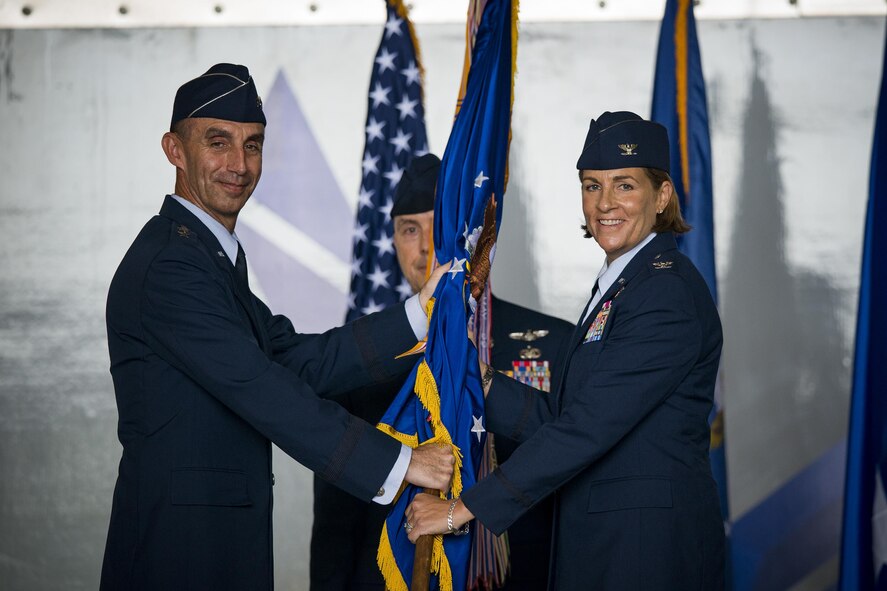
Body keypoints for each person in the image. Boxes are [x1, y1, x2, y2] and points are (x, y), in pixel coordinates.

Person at [100, 63, 454, 591]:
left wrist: (419, 313)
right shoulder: (172, 266)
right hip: (180, 553)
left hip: (210, 546)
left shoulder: (205, 258)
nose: (238, 164)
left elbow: (297, 361)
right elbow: (265, 389)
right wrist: (402, 464)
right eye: (217, 142)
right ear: (175, 150)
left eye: (252, 145)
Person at [405, 111, 726, 590]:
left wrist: (461, 510)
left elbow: (586, 427)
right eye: (592, 185)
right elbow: (566, 417)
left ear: (661, 196)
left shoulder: (665, 292)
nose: (605, 203)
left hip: (644, 554)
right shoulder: (625, 283)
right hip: (609, 546)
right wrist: (477, 375)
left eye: (624, 185)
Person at [310, 154, 573, 590]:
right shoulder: (361, 359)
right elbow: (337, 520)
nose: (425, 248)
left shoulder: (554, 343)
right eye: (409, 230)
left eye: (439, 228)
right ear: (393, 241)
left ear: (470, 235)